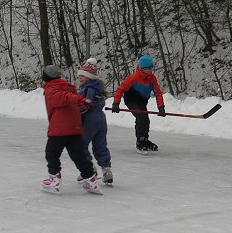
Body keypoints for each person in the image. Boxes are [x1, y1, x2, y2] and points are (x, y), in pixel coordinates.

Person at [41, 64, 102, 195]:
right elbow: (67, 96)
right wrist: (78, 98)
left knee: (51, 153)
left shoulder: (52, 88)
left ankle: (54, 180)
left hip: (60, 128)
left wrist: (77, 98)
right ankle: (91, 180)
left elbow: (60, 98)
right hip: (74, 127)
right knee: (78, 155)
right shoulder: (68, 87)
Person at [111, 53, 166, 153]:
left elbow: (158, 93)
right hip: (131, 99)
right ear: (142, 68)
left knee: (146, 120)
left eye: (151, 68)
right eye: (148, 68)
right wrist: (116, 103)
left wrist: (161, 107)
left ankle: (145, 139)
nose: (150, 70)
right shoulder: (133, 78)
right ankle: (139, 141)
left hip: (142, 101)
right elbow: (120, 89)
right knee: (141, 117)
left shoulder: (152, 79)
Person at [76, 58, 113, 185]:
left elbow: (84, 105)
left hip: (90, 120)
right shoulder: (98, 88)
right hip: (101, 119)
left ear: (90, 77)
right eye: (79, 75)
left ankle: (89, 169)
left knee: (81, 144)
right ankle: (107, 170)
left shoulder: (88, 89)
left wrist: (74, 111)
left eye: (83, 76)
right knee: (100, 145)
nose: (80, 78)